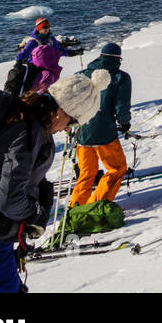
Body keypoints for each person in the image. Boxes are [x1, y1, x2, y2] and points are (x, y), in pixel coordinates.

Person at [0, 70, 109, 293]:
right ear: (61, 110)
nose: (67, 129)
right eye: (72, 122)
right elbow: (9, 200)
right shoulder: (28, 130)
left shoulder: (25, 118)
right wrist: (35, 214)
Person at [69, 43, 132, 207]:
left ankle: (75, 205)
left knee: (86, 173)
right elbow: (122, 107)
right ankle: (95, 205)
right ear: (118, 59)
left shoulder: (80, 75)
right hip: (104, 133)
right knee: (117, 169)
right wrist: (125, 124)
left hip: (81, 133)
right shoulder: (120, 77)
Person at [6, 18, 70, 96]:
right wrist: (19, 62)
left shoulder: (51, 40)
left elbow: (59, 50)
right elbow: (24, 52)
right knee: (46, 78)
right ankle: (36, 96)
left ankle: (43, 96)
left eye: (48, 26)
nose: (47, 29)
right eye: (44, 27)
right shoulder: (34, 41)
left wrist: (71, 52)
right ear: (38, 28)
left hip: (48, 65)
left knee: (50, 78)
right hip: (34, 67)